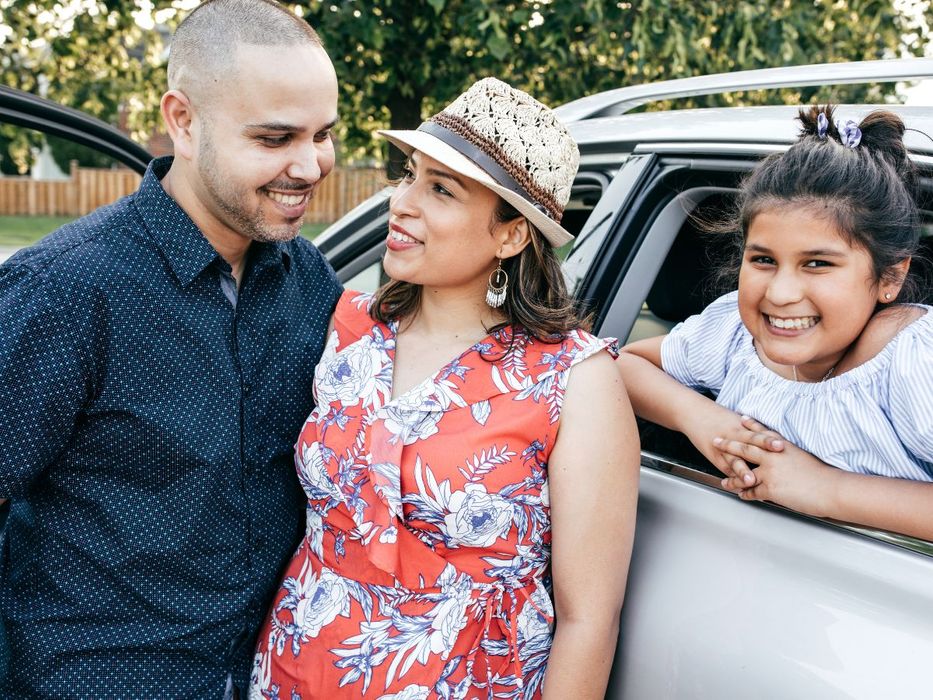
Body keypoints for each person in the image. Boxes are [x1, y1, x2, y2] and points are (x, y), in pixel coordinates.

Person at [250, 78, 640, 699]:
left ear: (511, 235)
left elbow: (589, 621)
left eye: (441, 190)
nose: (402, 203)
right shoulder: (348, 329)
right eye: (409, 175)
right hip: (300, 669)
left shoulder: (572, 381)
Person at [0, 1, 342, 696]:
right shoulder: (65, 289)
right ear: (183, 121)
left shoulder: (310, 282)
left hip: (265, 676)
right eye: (276, 138)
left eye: (324, 135)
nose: (309, 165)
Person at [617, 105, 933, 540]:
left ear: (890, 277)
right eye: (764, 260)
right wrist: (702, 419)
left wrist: (829, 488)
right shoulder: (732, 334)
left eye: (818, 264)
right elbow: (625, 365)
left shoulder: (911, 361)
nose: (780, 293)